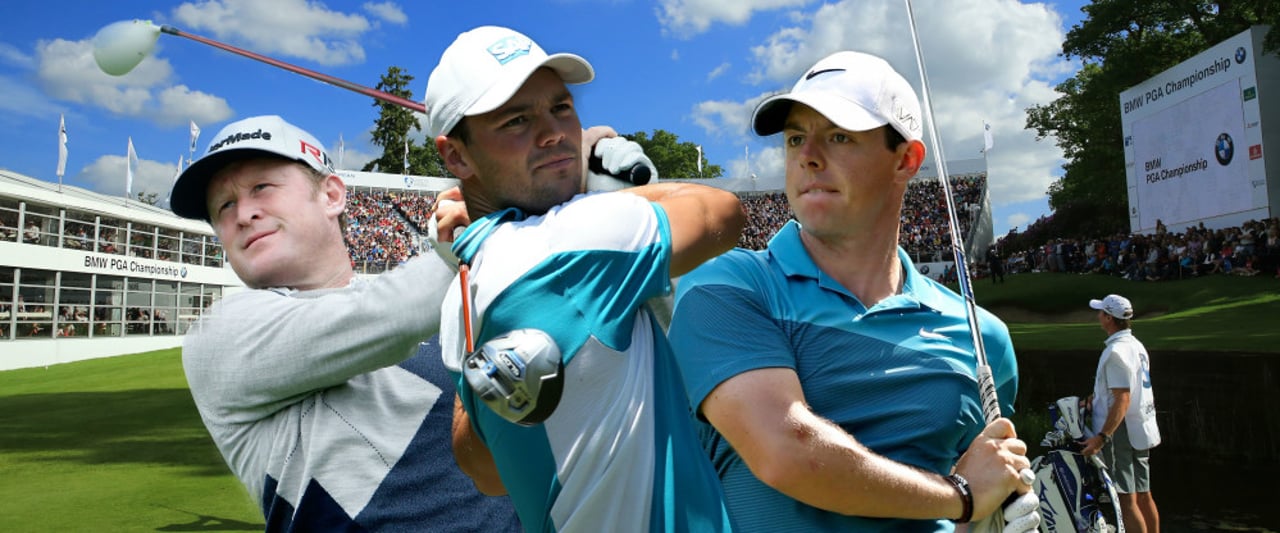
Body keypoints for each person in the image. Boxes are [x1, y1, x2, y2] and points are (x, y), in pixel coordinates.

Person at [667, 51, 1036, 531]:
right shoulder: (726, 285)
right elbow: (787, 452)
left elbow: (977, 484)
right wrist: (961, 497)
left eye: (838, 136)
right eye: (796, 137)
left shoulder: (983, 336)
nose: (808, 155)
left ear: (906, 159)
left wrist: (987, 511)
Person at [426, 25, 744, 531]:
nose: (553, 132)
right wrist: (595, 189)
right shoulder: (576, 237)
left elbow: (486, 471)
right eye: (516, 120)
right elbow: (722, 213)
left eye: (561, 108)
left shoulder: (459, 298)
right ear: (457, 157)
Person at [168, 114, 521, 532]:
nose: (243, 213)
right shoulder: (221, 335)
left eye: (261, 187)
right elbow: (395, 313)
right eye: (224, 206)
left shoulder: (435, 297)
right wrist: (508, 208)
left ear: (332, 195)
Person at [1082, 294, 1160, 533]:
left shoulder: (1115, 352)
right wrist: (1093, 400)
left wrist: (1101, 437)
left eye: (1101, 313)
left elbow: (1122, 397)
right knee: (1144, 494)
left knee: (1125, 500)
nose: (1098, 316)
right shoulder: (1136, 346)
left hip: (1119, 433)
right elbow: (1124, 389)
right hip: (1141, 426)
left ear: (1109, 318)